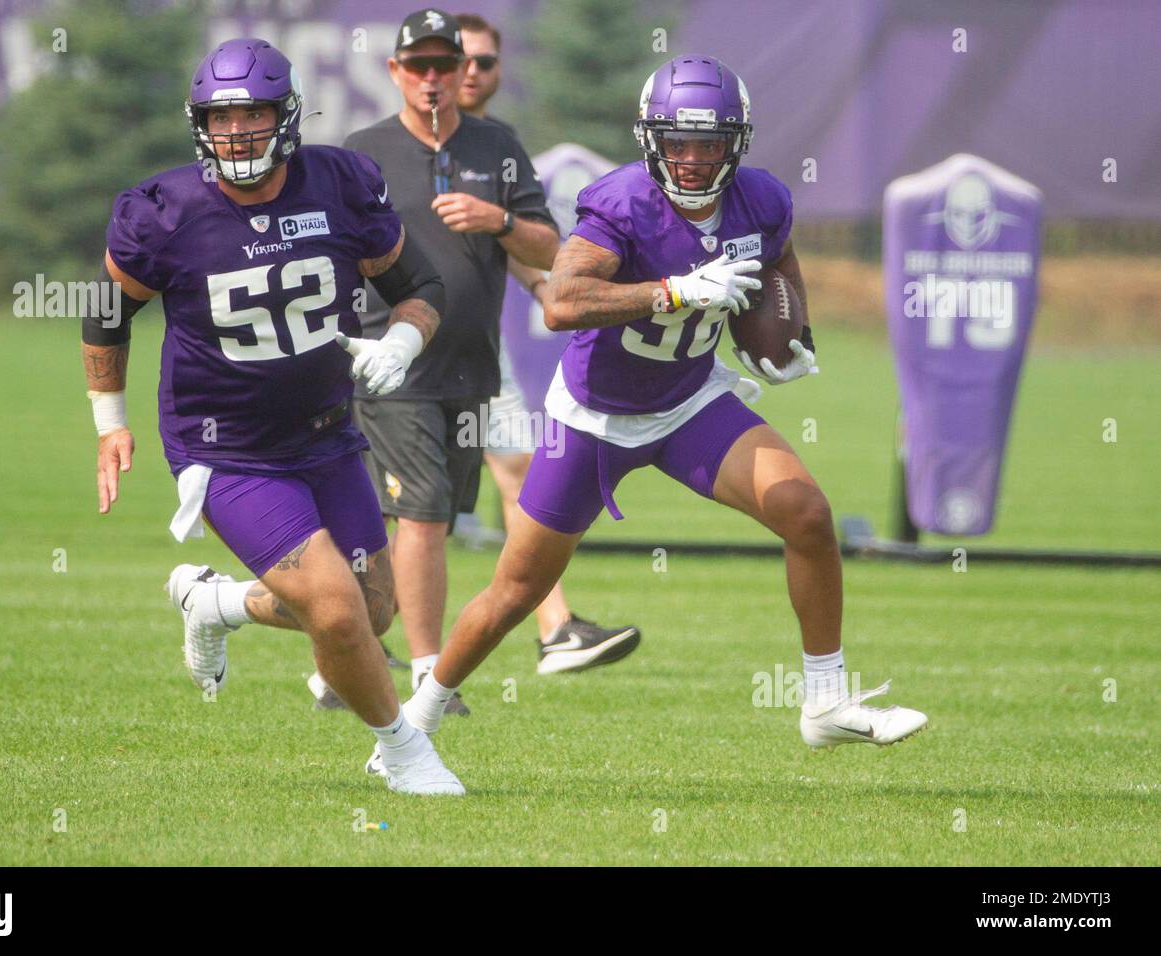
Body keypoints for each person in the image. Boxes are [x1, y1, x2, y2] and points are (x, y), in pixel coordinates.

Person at [381, 56, 928, 775]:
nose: (694, 160)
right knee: (517, 592)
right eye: (679, 142)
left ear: (738, 142)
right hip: (593, 419)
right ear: (651, 140)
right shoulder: (623, 203)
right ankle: (412, 725)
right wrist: (674, 290)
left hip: (689, 402)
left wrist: (793, 331)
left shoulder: (761, 199)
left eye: (710, 143)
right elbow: (561, 303)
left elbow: (779, 257)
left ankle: (825, 702)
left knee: (807, 513)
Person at [83, 37, 463, 795]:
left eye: (253, 115)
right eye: (221, 119)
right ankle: (402, 752)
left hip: (325, 434)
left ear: (285, 115)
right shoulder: (166, 210)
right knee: (334, 609)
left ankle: (216, 602)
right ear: (200, 126)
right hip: (226, 450)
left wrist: (402, 338)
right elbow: (105, 311)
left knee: (372, 611)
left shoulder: (339, 184)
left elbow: (422, 285)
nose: (237, 134)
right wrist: (110, 422)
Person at [305, 8, 559, 714]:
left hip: (472, 368)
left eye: (446, 66)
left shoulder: (498, 147)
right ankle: (426, 675)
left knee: (428, 522)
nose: (434, 79)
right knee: (421, 516)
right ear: (395, 73)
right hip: (393, 366)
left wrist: (498, 220)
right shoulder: (363, 152)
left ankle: (334, 657)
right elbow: (327, 252)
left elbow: (551, 250)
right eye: (418, 66)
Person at [453, 12, 640, 676]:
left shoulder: (496, 144)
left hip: (477, 339)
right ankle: (307, 631)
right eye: (460, 59)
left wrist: (547, 290)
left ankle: (556, 628)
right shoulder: (395, 143)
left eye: (487, 61)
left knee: (517, 467)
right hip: (393, 343)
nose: (473, 73)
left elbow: (524, 241)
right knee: (400, 506)